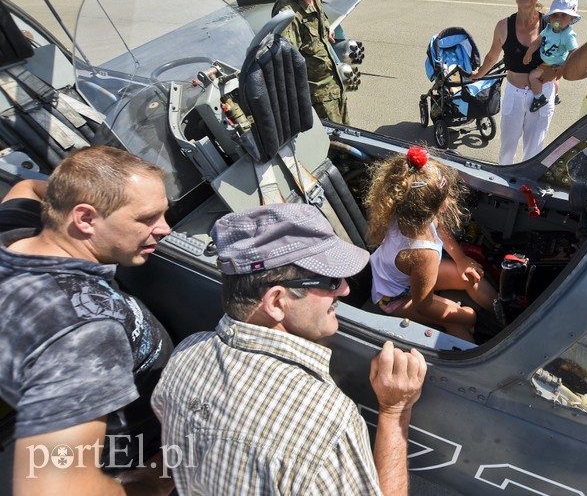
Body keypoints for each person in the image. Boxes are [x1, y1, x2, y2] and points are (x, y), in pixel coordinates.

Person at [152, 203, 426, 495]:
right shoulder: (327, 421)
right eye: (331, 280)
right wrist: (395, 411)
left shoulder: (186, 356)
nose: (344, 290)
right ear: (276, 302)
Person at [0, 146, 174, 495]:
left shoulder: (16, 231)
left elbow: (25, 189)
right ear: (84, 220)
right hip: (141, 453)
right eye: (146, 218)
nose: (165, 229)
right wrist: (153, 482)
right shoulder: (84, 333)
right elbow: (53, 488)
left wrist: (73, 193)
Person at [366, 147, 497, 342]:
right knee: (454, 321)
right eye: (447, 197)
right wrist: (468, 316)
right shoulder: (424, 254)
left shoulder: (408, 211)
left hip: (405, 276)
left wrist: (460, 259)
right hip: (394, 298)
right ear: (441, 205)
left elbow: (439, 228)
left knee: (470, 277)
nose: (450, 199)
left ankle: (504, 315)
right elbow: (423, 305)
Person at [471, 0, 561, 164]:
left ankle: (525, 192)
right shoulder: (503, 26)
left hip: (543, 94)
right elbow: (491, 57)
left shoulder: (551, 26)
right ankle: (502, 191)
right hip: (514, 94)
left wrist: (556, 78)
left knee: (534, 150)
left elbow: (564, 55)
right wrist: (479, 74)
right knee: (507, 148)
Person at [272, 0, 350, 125]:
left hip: (334, 90)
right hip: (317, 102)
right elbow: (285, 64)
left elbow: (317, 19)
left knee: (348, 142)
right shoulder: (288, 12)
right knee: (335, 148)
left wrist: (325, 29)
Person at [523, 0, 581, 112]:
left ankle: (539, 98)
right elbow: (538, 41)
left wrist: (562, 68)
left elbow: (574, 52)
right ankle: (555, 96)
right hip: (547, 61)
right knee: (554, 81)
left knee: (533, 76)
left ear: (572, 19)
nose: (558, 18)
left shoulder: (568, 35)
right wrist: (529, 53)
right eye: (555, 15)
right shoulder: (548, 28)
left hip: (554, 65)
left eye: (564, 15)